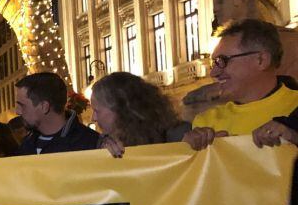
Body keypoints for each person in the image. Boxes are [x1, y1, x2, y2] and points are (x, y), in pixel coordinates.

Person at [184, 19, 298, 150]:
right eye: (214, 63)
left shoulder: (295, 106)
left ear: (261, 60)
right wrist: (186, 151)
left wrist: (294, 136)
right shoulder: (205, 123)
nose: (214, 73)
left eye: (222, 60)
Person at [90, 72, 184, 158]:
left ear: (120, 110)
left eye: (97, 111)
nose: (93, 118)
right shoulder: (103, 143)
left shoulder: (177, 136)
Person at [14, 72, 100, 155]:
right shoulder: (26, 144)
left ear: (44, 107)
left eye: (22, 106)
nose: (17, 112)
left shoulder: (92, 145)